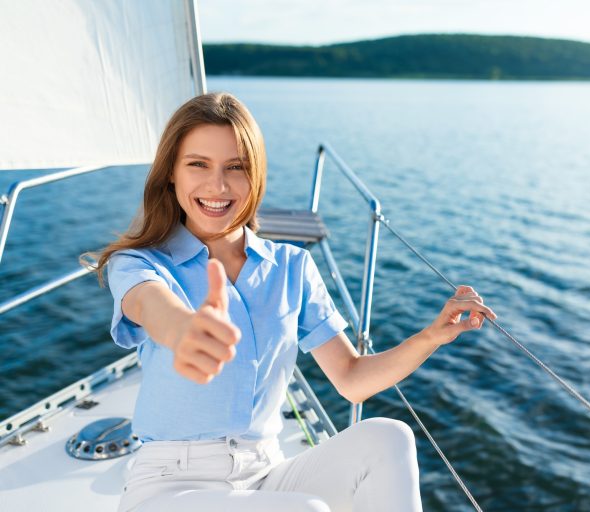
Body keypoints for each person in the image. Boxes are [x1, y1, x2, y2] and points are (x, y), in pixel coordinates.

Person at [94, 92, 497, 512]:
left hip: (265, 475)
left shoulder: (292, 266)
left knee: (389, 436)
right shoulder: (140, 262)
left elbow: (351, 378)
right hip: (170, 486)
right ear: (171, 174)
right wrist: (183, 328)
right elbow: (149, 304)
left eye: (236, 168)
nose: (218, 185)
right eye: (198, 164)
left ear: (256, 176)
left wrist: (430, 337)